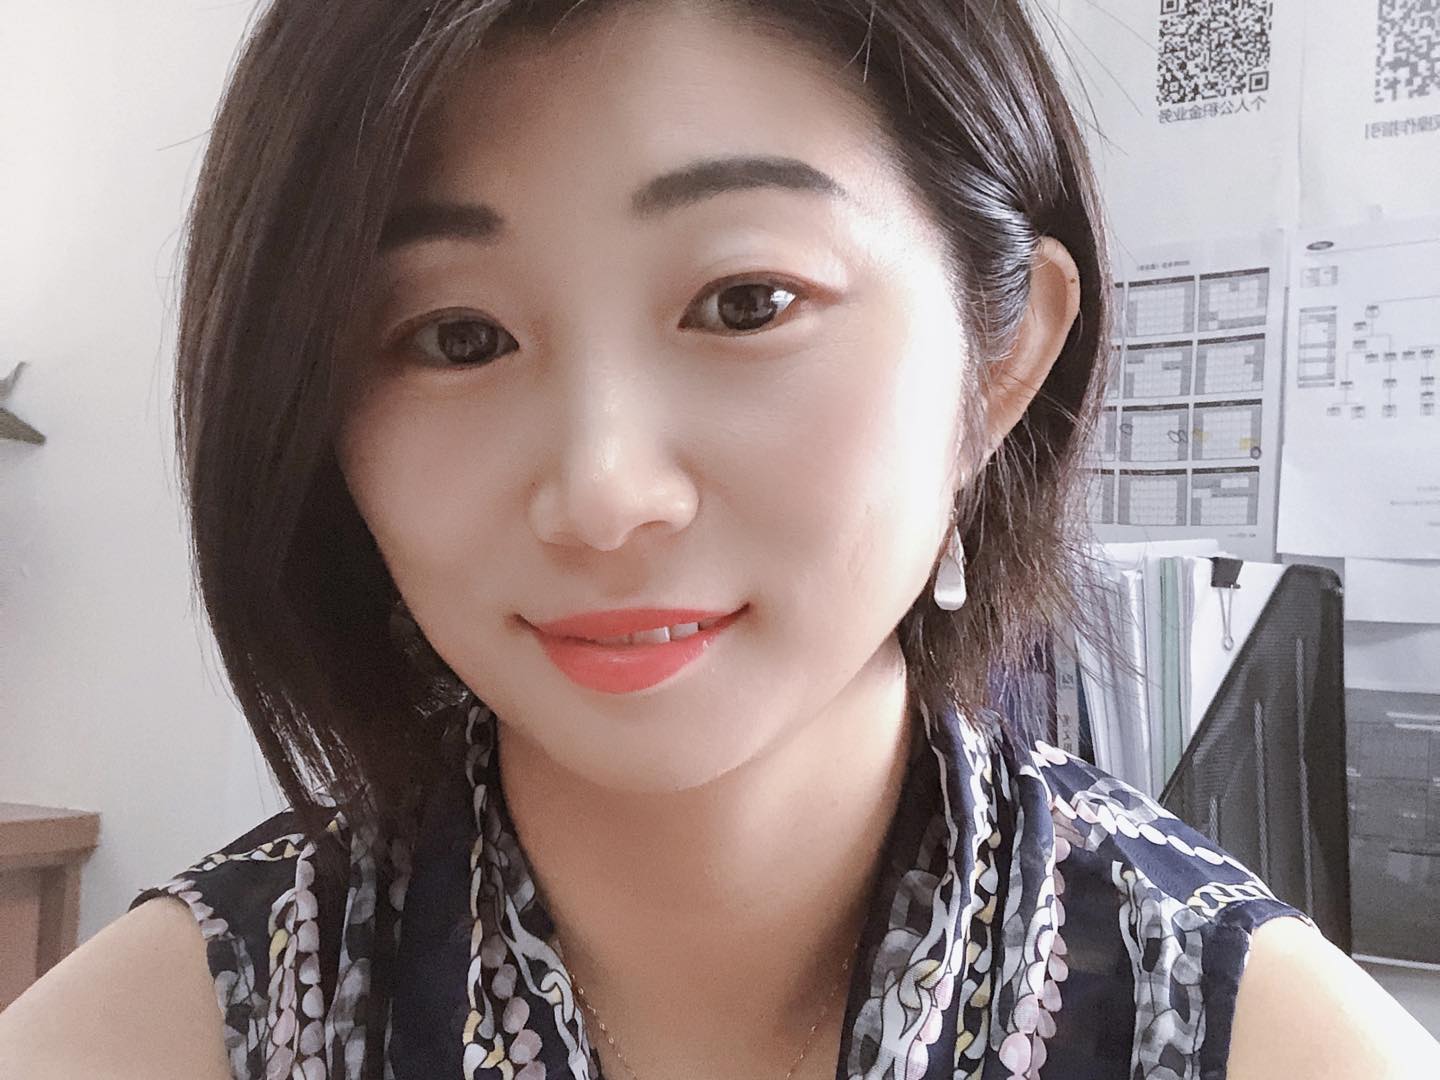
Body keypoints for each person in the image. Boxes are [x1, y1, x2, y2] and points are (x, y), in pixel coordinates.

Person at [3, 0, 1437, 1076]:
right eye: (457, 336)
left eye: (747, 303)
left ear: (1000, 363)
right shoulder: (158, 1038)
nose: (603, 492)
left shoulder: (1264, 1043)